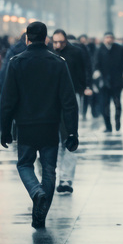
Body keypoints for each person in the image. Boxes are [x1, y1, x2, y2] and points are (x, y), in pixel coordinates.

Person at [0, 22, 78, 229]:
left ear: (27, 38)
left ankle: (36, 192)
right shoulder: (58, 62)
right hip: (50, 125)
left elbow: (7, 100)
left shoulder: (16, 62)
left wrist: (5, 129)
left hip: (25, 125)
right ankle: (40, 215)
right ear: (46, 39)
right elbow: (69, 101)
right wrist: (72, 132)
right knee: (49, 170)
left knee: (24, 164)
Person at [52, 29, 91, 193]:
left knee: (69, 136)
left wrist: (86, 87)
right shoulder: (49, 54)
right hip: (52, 99)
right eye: (55, 42)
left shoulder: (76, 52)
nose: (58, 45)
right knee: (53, 141)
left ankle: (66, 179)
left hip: (71, 96)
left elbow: (85, 70)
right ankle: (54, 177)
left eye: (61, 42)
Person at [93, 32, 123, 132]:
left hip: (116, 82)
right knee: (105, 105)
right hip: (104, 83)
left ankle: (117, 122)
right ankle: (108, 126)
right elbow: (96, 64)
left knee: (117, 104)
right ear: (104, 39)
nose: (109, 39)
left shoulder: (119, 49)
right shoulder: (100, 50)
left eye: (111, 37)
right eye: (107, 37)